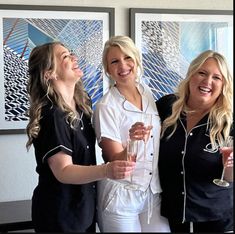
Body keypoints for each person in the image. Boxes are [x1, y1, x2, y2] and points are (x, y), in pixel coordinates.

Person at [25, 41, 135, 232]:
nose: (74, 58)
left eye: (71, 53)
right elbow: (63, 171)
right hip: (60, 216)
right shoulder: (52, 115)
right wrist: (107, 170)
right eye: (65, 57)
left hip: (83, 210)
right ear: (49, 73)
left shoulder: (83, 107)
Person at [129, 50, 233, 232]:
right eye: (202, 73)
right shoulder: (166, 107)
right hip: (173, 217)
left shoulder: (229, 122)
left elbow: (229, 177)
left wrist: (230, 168)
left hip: (217, 219)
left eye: (217, 77)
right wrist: (135, 135)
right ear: (191, 74)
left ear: (223, 85)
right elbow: (144, 145)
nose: (207, 81)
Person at [92, 35, 170, 232]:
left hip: (152, 193)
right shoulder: (106, 106)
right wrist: (133, 142)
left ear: (136, 60)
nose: (123, 66)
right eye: (114, 61)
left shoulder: (147, 93)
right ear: (108, 69)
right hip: (121, 197)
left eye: (128, 58)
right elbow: (114, 160)